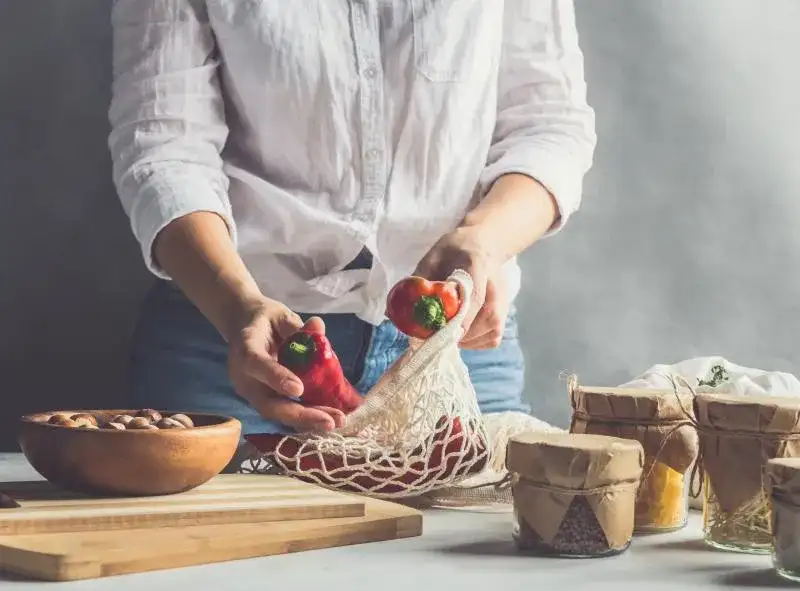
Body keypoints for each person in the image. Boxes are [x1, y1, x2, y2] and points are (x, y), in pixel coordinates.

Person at [108, 0, 596, 440]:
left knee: (470, 535)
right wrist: (237, 308)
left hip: (456, 347)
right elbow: (164, 145)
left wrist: (484, 240)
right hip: (234, 344)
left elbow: (548, 122)